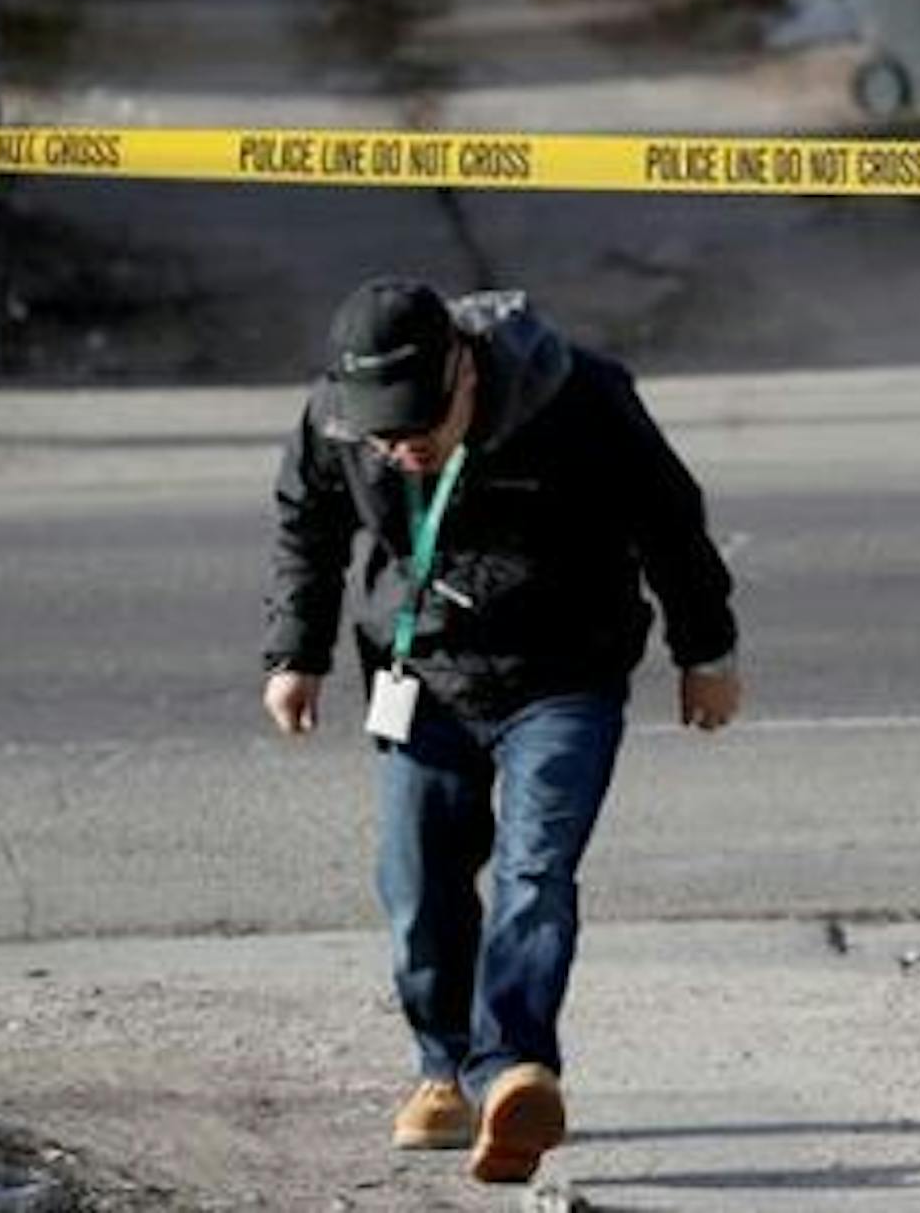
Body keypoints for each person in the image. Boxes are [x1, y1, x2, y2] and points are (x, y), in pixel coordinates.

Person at [260, 277, 741, 1185]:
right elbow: (307, 526)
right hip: (423, 676)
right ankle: (444, 1071)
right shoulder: (337, 418)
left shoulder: (580, 395)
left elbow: (670, 519)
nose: (403, 449)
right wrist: (295, 653)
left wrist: (706, 649)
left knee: (535, 868)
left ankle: (516, 1068)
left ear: (464, 370)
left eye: (420, 426)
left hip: (563, 677)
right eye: (385, 435)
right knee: (418, 881)